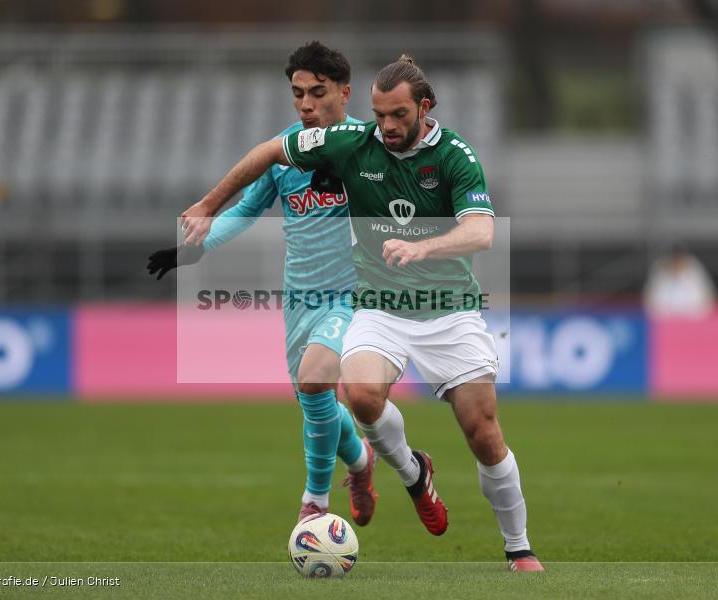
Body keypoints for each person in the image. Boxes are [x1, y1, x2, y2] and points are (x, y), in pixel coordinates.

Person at [178, 55, 544, 572]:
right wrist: (209, 204)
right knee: (363, 396)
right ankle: (413, 473)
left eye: (397, 116)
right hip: (378, 305)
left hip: (449, 309)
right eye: (379, 116)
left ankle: (519, 547)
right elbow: (267, 152)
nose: (387, 127)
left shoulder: (456, 156)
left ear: (424, 107)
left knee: (482, 432)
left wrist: (424, 247)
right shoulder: (353, 144)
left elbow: (481, 231)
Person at [147, 42, 377, 525]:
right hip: (299, 298)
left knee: (316, 382)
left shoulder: (370, 145)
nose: (306, 104)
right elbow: (246, 211)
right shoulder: (283, 153)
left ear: (345, 92)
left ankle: (314, 503)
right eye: (298, 94)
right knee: (313, 400)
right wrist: (192, 252)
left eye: (318, 92)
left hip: (354, 295)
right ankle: (359, 461)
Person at [643, 243, 716, 318]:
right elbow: (651, 303)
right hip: (665, 321)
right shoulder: (660, 272)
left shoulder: (695, 271)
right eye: (674, 259)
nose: (676, 263)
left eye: (679, 259)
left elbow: (705, 302)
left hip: (692, 322)